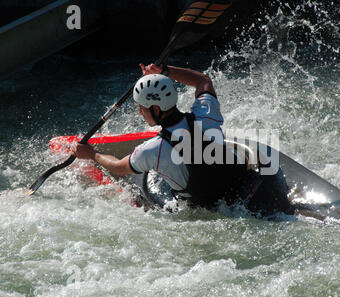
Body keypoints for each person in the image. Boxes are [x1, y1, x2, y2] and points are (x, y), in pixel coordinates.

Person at [72, 63, 292, 216]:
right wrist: (166, 70)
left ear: (156, 109)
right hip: (257, 190)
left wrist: (92, 154)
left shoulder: (154, 150)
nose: (140, 112)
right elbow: (203, 81)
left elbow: (120, 167)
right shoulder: (206, 114)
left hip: (221, 211)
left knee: (157, 182)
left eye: (141, 108)